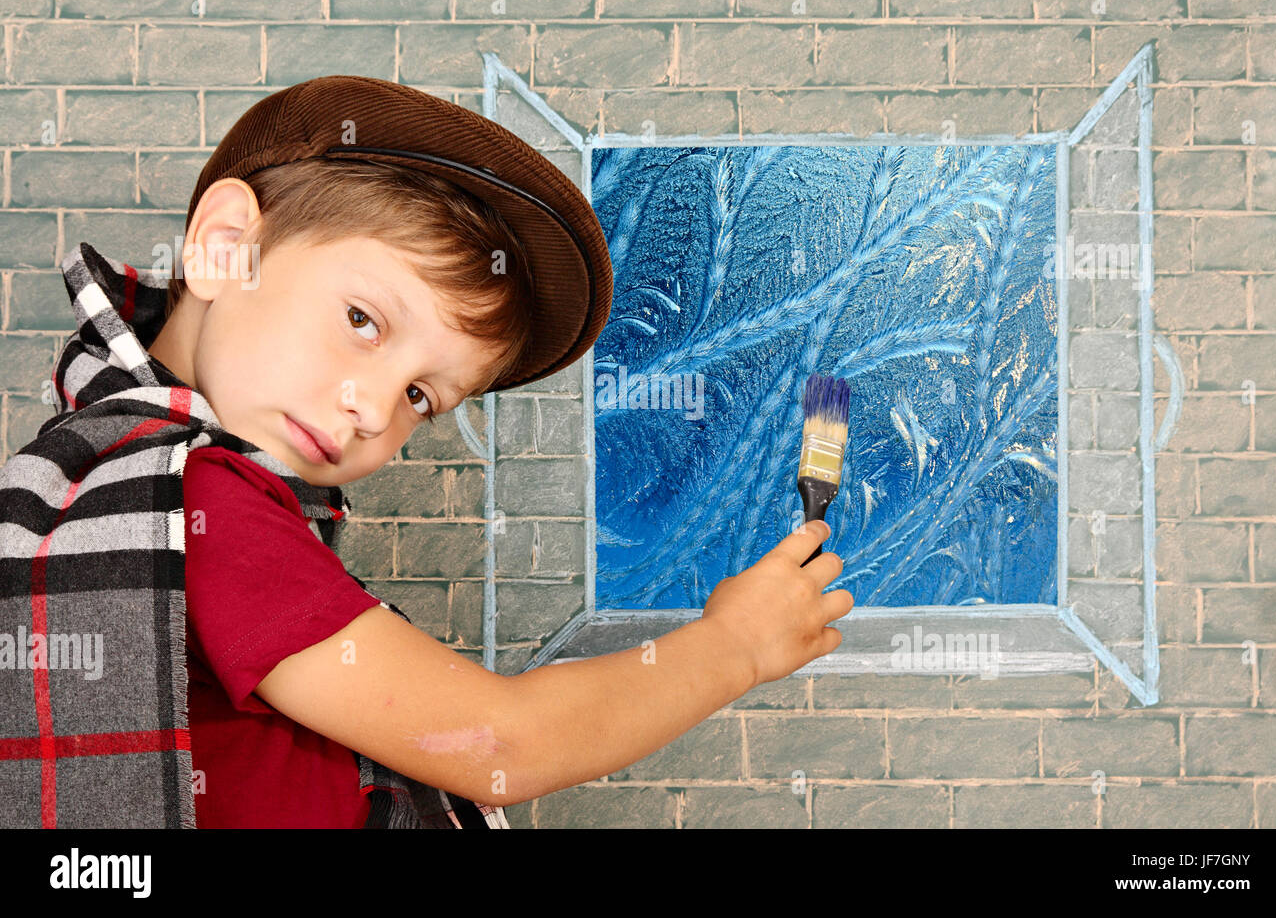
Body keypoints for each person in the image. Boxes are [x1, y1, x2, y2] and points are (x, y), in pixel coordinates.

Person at [0, 76, 852, 828]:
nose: (373, 409)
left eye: (420, 397)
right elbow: (500, 743)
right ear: (228, 247)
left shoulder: (115, 480)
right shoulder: (198, 500)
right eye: (363, 321)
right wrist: (731, 647)